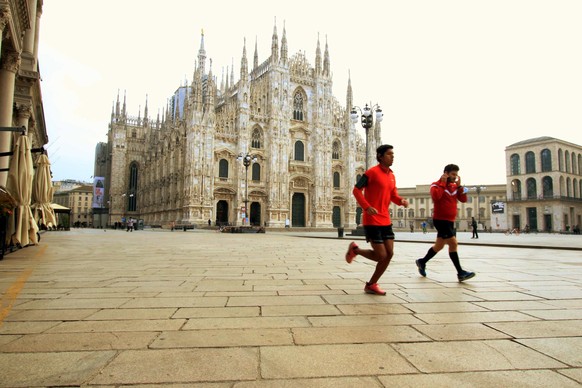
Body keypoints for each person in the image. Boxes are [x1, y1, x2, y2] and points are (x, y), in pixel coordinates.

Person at [345, 144, 409, 295]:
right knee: (381, 255)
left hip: (385, 220)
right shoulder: (371, 173)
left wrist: (401, 201)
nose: (392, 157)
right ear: (380, 156)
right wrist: (366, 207)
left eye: (393, 154)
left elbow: (393, 195)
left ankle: (372, 284)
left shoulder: (392, 175)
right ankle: (356, 250)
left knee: (390, 254)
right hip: (372, 219)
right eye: (389, 154)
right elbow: (356, 190)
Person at [415, 164, 475, 282]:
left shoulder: (454, 186)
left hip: (450, 221)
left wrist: (460, 187)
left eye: (456, 174)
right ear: (446, 173)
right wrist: (442, 183)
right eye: (453, 174)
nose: (455, 177)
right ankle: (460, 273)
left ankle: (422, 261)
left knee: (439, 246)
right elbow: (436, 197)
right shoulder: (435, 185)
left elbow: (463, 199)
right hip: (440, 220)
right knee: (453, 243)